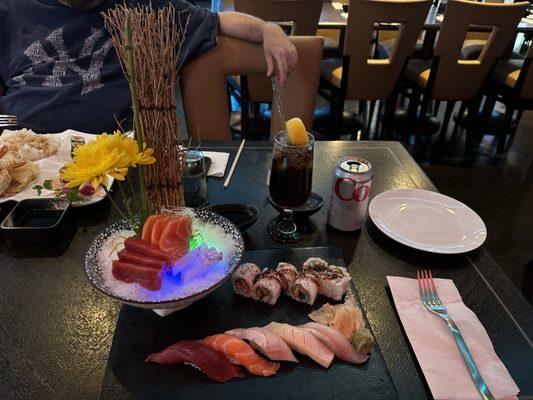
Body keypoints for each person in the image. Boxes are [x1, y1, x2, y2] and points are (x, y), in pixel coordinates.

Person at [0, 0, 298, 133]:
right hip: (18, 148)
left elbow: (218, 21)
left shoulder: (143, 6)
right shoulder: (11, 9)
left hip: (111, 162)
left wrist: (267, 29)